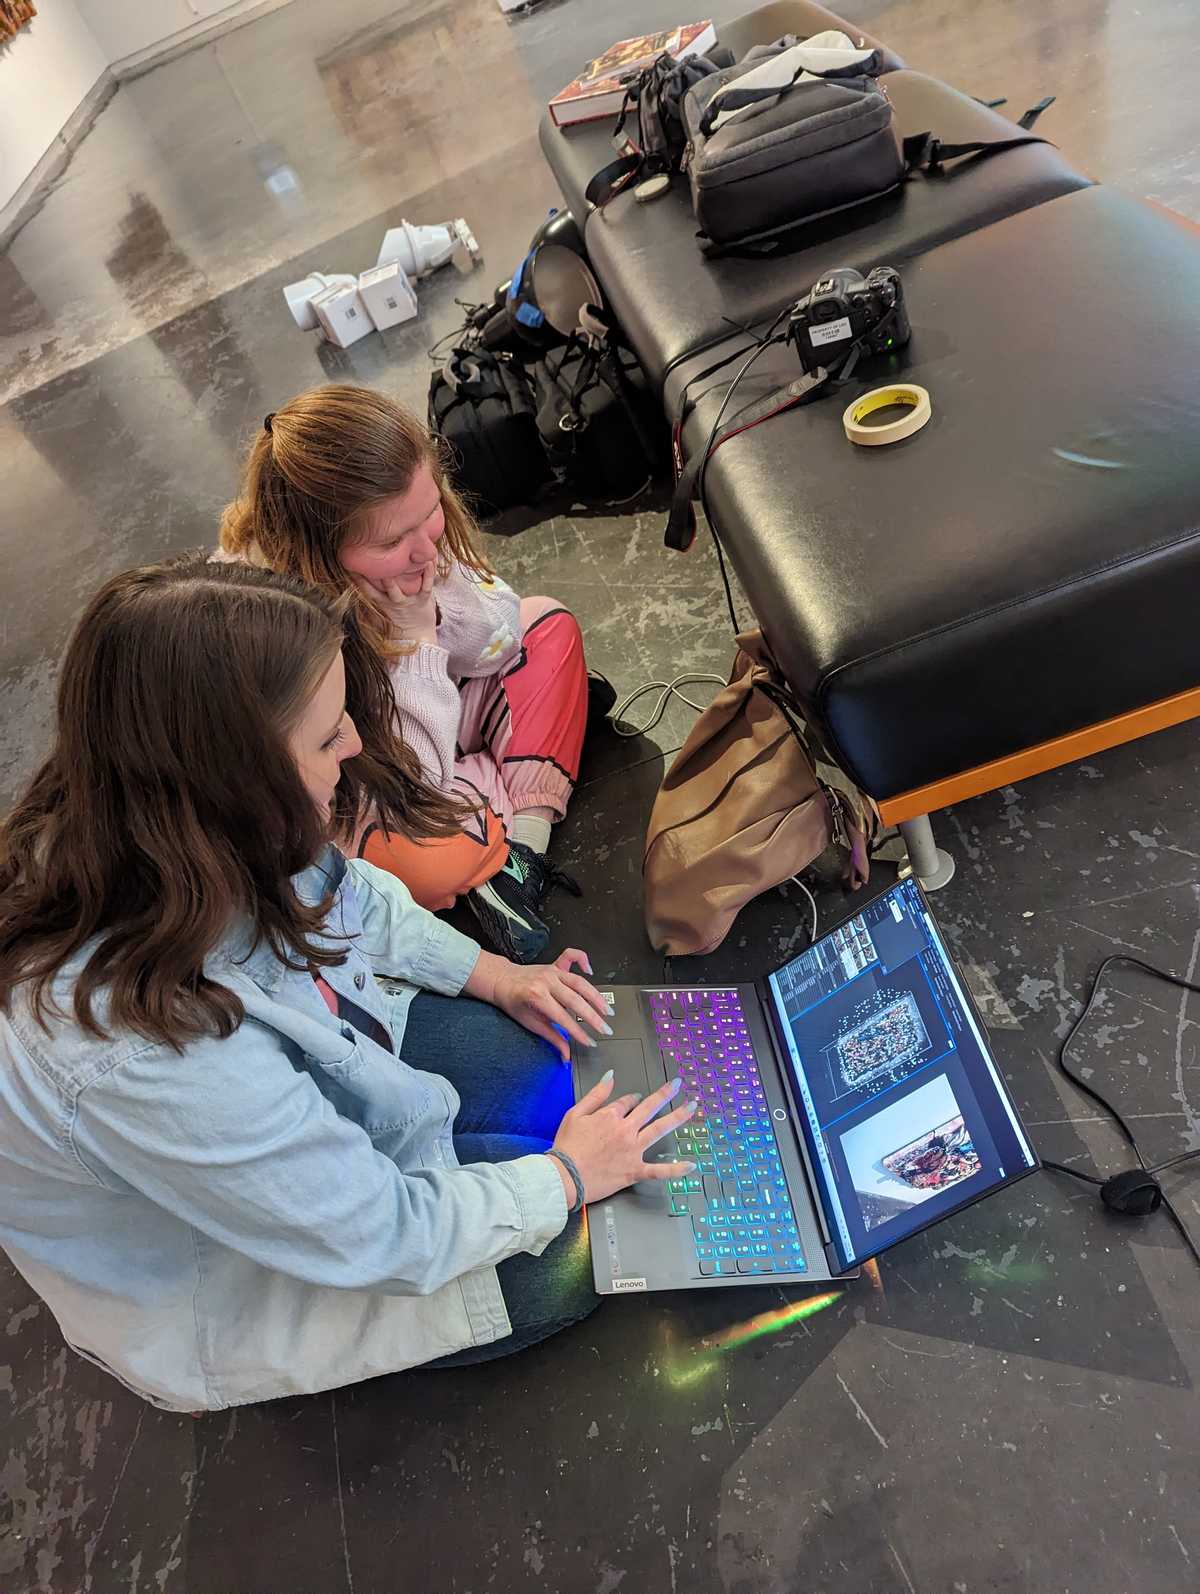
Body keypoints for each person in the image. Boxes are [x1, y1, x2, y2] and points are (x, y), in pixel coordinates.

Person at [0, 559, 695, 1412]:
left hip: (301, 1079)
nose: (357, 747)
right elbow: (387, 1235)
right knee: (600, 1242)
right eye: (329, 737)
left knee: (563, 1068)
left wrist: (497, 976)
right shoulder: (136, 1049)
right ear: (233, 778)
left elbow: (347, 892)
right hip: (243, 1272)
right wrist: (567, 1180)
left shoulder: (172, 820)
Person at [217, 383, 601, 964]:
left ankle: (518, 852)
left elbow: (499, 643)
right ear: (319, 550)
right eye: (395, 539)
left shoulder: (413, 549)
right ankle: (496, 813)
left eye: (432, 513)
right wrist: (416, 642)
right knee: (428, 856)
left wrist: (436, 592)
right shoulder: (274, 631)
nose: (426, 547)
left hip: (422, 737)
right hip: (361, 788)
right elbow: (409, 790)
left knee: (547, 626)